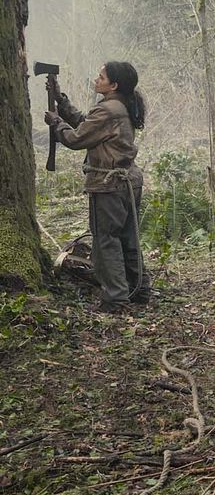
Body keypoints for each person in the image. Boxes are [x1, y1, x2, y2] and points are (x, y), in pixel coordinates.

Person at [44, 61, 150, 312]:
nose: (96, 79)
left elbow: (76, 137)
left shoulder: (108, 110)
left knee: (106, 240)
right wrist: (61, 100)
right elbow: (86, 122)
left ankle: (116, 298)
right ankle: (139, 289)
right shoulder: (118, 106)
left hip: (109, 185)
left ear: (114, 85)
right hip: (126, 181)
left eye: (101, 77)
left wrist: (57, 123)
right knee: (127, 237)